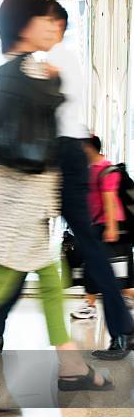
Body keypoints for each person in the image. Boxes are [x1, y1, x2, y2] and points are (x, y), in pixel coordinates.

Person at [0, 0, 113, 390]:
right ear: (25, 25)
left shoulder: (16, 72)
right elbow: (9, 139)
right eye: (46, 19)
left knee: (52, 280)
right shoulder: (30, 74)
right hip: (22, 202)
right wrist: (54, 87)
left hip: (25, 200)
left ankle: (71, 367)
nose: (54, 26)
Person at [0, 0, 134, 359]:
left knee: (71, 245)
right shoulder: (46, 59)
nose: (44, 27)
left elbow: (38, 102)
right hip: (54, 153)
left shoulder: (58, 58)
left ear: (57, 24)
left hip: (59, 153)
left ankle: (121, 329)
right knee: (32, 245)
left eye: (47, 20)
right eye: (39, 20)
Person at [70, 135, 134, 319]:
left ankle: (91, 305)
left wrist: (111, 227)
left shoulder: (106, 170)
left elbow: (110, 201)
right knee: (96, 269)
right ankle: (89, 304)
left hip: (111, 229)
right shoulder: (91, 169)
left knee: (116, 277)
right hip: (98, 227)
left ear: (89, 148)